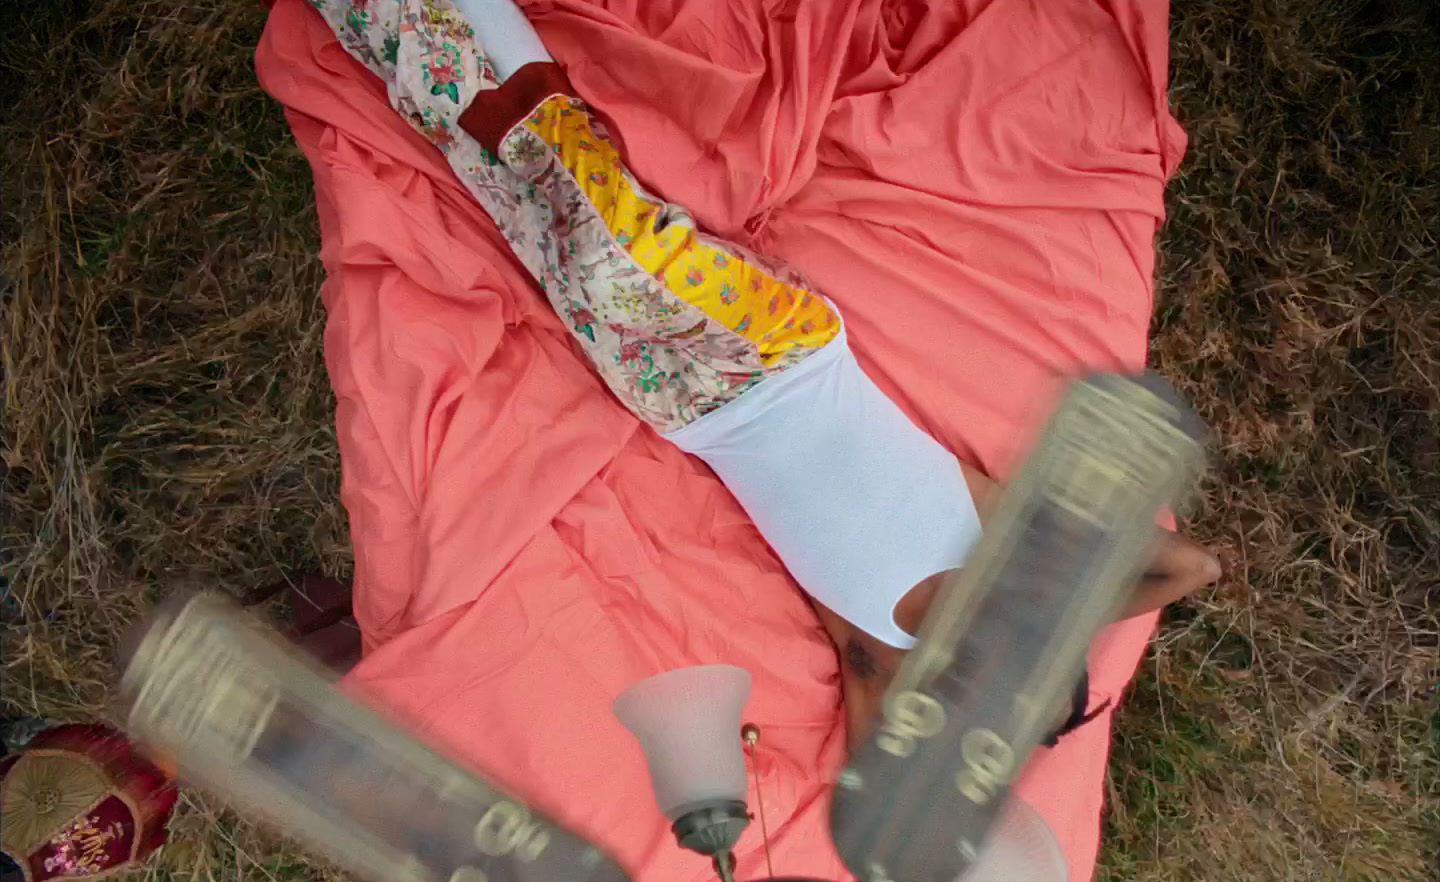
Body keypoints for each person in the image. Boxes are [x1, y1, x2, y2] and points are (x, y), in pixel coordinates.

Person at [313, 0, 1221, 747]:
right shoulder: (1000, 545)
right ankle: (435, 21)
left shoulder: (880, 656)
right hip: (767, 349)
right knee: (590, 218)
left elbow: (871, 795)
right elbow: (1191, 566)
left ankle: (407, 52)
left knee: (536, 221)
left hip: (677, 401)